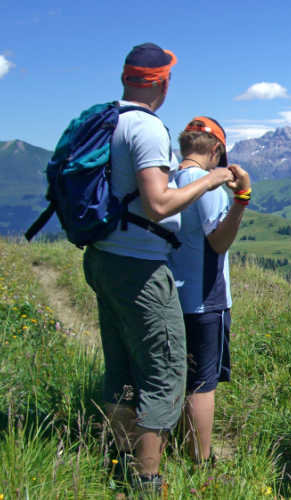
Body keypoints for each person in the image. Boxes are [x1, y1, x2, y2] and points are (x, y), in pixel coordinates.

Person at [81, 43, 236, 494]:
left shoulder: (107, 120)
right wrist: (213, 179)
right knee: (165, 372)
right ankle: (148, 480)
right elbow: (157, 203)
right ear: (163, 82)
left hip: (104, 256)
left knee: (122, 366)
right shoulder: (146, 128)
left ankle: (118, 460)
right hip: (140, 266)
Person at [167, 117, 251, 464]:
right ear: (216, 149)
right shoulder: (206, 185)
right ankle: (200, 460)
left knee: (177, 375)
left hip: (172, 294)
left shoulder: (169, 180)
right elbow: (219, 241)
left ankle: (174, 444)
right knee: (203, 383)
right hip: (206, 298)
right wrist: (241, 200)